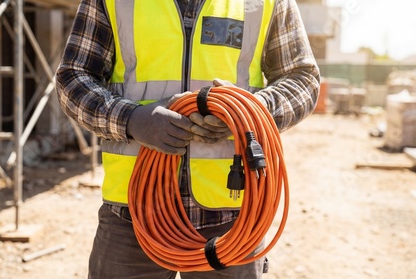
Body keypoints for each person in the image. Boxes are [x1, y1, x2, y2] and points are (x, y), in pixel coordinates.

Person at [56, 0, 320, 278]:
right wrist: (131, 119)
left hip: (232, 215)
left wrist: (245, 114)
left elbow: (302, 79)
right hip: (133, 214)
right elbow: (73, 78)